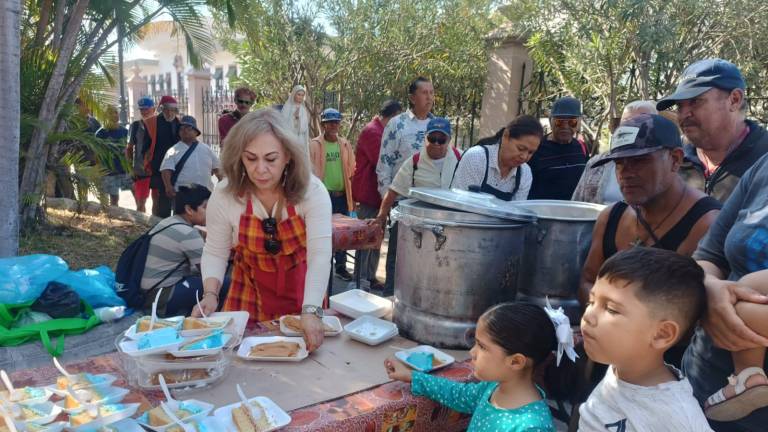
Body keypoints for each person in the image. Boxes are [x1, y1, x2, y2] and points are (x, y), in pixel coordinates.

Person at [196, 108, 332, 352]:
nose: (260, 169)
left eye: (271, 159)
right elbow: (216, 250)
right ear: (239, 157)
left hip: (303, 292)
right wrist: (210, 294)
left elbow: (320, 255)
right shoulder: (226, 194)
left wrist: (311, 310)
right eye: (250, 158)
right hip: (248, 290)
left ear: (288, 156)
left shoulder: (313, 191)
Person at [579, 114, 721, 309]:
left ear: (675, 159)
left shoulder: (706, 223)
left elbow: (697, 310)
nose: (626, 174)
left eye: (639, 161)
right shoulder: (611, 217)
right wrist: (606, 313)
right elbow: (587, 280)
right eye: (619, 163)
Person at [579, 247, 713, 431]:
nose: (588, 316)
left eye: (611, 309)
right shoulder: (622, 368)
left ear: (662, 334)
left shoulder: (677, 417)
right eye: (591, 302)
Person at [682, 152, 768, 431]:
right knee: (745, 291)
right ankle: (747, 376)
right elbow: (709, 254)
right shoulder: (762, 167)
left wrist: (735, 309)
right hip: (706, 380)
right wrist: (712, 292)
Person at [384, 302, 565, 431]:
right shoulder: (493, 387)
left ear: (516, 361)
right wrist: (413, 377)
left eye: (482, 346)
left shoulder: (532, 427)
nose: (472, 352)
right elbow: (458, 394)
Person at [657, 58, 768, 203]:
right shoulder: (671, 159)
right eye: (679, 106)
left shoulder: (763, 157)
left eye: (695, 101)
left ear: (734, 99)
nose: (684, 114)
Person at [375, 76, 434, 295]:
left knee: (425, 258)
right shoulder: (397, 124)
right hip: (401, 202)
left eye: (431, 92)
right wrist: (386, 202)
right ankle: (391, 299)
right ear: (412, 97)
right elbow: (384, 165)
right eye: (424, 92)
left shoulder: (437, 126)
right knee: (398, 256)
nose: (429, 97)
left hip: (429, 206)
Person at [351, 99, 403, 291]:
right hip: (369, 193)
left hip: (379, 194)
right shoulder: (373, 132)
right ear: (391, 116)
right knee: (366, 237)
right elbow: (382, 160)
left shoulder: (381, 132)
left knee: (376, 236)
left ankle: (369, 276)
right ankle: (360, 277)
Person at [372, 117, 460, 228]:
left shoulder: (461, 159)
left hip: (452, 225)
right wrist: (381, 217)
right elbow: (393, 191)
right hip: (420, 226)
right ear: (425, 138)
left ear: (449, 140)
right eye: (432, 138)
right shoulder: (414, 162)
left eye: (441, 140)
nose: (436, 143)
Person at [141, 184, 211, 317]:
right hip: (160, 296)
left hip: (145, 292)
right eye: (206, 207)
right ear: (189, 209)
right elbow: (208, 271)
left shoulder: (168, 222)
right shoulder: (187, 233)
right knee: (223, 283)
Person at [572, 100, 658, 204]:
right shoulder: (597, 164)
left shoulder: (661, 164)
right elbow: (577, 204)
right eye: (627, 123)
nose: (632, 128)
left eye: (641, 123)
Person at [309, 108, 355, 281]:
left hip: (342, 195)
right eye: (330, 122)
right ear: (323, 124)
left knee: (342, 233)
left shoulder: (344, 144)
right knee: (324, 233)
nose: (334, 125)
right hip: (323, 196)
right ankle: (323, 267)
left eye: (336, 122)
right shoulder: (314, 144)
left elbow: (352, 168)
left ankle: (341, 267)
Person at [451, 115, 544, 201]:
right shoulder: (476, 158)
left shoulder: (525, 173)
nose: (524, 157)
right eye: (521, 148)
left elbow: (516, 211)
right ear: (506, 136)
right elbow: (461, 203)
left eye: (531, 152)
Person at [527, 96, 589, 200]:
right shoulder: (536, 148)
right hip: (542, 212)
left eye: (572, 122)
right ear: (550, 121)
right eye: (559, 122)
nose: (565, 126)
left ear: (578, 123)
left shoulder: (581, 147)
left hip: (573, 213)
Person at [160, 115, 222, 198]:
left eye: (188, 128)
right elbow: (166, 170)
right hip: (182, 194)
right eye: (182, 128)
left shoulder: (207, 149)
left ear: (196, 132)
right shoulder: (173, 151)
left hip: (206, 194)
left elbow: (217, 169)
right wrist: (168, 187)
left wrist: (221, 186)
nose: (184, 131)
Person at [143, 95, 181, 218]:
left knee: (178, 200)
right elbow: (144, 147)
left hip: (178, 167)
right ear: (162, 109)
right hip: (159, 167)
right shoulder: (151, 123)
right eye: (167, 109)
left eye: (173, 109)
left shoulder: (180, 123)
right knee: (162, 201)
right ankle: (162, 225)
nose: (170, 112)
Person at [94, 105, 130, 207]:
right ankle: (114, 218)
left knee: (137, 194)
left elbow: (130, 150)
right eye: (111, 113)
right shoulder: (100, 133)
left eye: (116, 112)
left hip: (125, 170)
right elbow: (97, 155)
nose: (114, 115)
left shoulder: (125, 131)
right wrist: (100, 171)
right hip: (109, 172)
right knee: (114, 199)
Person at [126, 96, 156, 213]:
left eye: (146, 109)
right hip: (141, 170)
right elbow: (129, 148)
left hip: (157, 170)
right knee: (140, 202)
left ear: (153, 109)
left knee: (157, 201)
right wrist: (130, 168)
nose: (144, 112)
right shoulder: (135, 126)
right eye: (142, 109)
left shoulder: (159, 125)